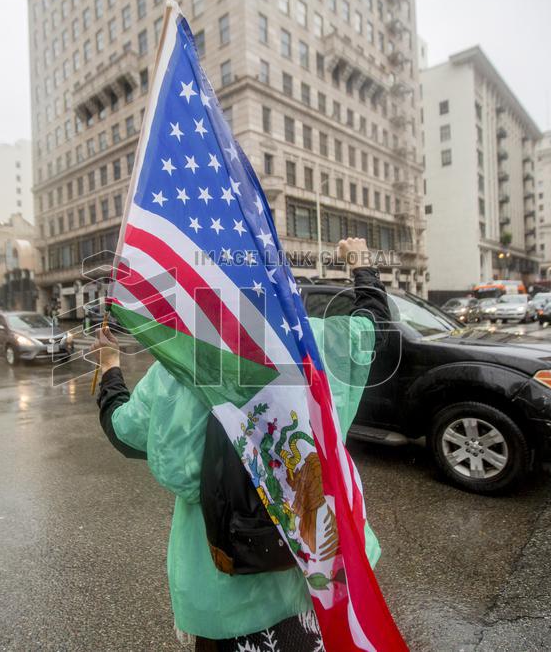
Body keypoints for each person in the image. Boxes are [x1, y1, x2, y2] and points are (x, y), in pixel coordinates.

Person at [91, 238, 391, 650]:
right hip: (320, 569)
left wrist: (110, 368)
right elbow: (372, 327)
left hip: (227, 589)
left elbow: (125, 432)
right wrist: (360, 266)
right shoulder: (313, 344)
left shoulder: (183, 366)